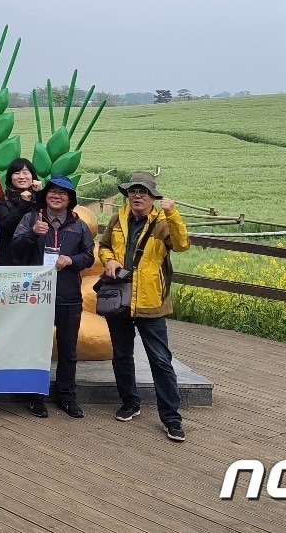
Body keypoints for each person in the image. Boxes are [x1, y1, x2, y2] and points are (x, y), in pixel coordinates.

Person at [97, 171, 190, 442]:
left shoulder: (163, 222)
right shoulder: (118, 218)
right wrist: (110, 260)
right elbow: (103, 247)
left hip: (151, 301)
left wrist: (173, 214)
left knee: (160, 360)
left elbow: (183, 245)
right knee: (122, 354)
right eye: (133, 191)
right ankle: (130, 402)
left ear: (153, 197)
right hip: (120, 298)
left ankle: (172, 418)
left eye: (144, 192)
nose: (137, 196)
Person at [11, 175, 95, 419]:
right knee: (38, 347)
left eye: (63, 193)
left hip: (69, 295)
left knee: (68, 349)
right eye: (52, 192)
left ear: (70, 199)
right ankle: (36, 396)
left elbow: (88, 256)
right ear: (45, 194)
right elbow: (15, 250)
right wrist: (33, 234)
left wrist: (72, 260)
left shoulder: (79, 225)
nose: (57, 196)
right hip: (37, 295)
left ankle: (67, 396)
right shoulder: (31, 219)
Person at [0, 158, 40, 265]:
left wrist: (39, 194)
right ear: (10, 178)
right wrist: (24, 204)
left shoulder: (41, 199)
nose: (21, 177)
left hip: (37, 258)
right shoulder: (2, 202)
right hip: (10, 259)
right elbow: (5, 225)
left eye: (25, 173)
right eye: (16, 173)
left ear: (33, 176)